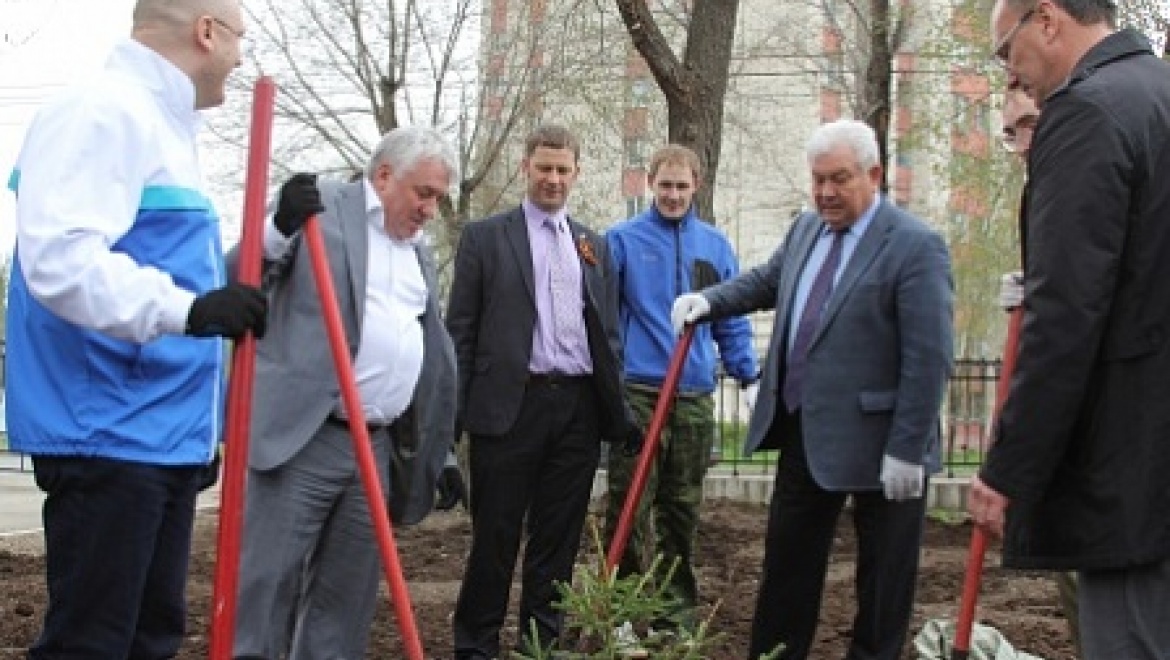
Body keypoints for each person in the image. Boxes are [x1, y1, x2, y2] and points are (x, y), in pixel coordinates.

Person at [3, 1, 264, 658]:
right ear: (208, 32)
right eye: (240, 40)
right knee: (92, 645)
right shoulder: (103, 112)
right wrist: (190, 312)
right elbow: (60, 259)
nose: (240, 60)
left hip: (155, 436)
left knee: (148, 641)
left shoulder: (162, 129)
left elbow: (166, 268)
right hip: (107, 434)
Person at [673, 119, 954, 660]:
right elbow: (766, 280)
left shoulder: (914, 246)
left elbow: (929, 357)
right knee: (787, 570)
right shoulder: (807, 230)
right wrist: (709, 301)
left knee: (882, 583)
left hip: (884, 443)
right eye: (818, 179)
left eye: (839, 179)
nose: (825, 192)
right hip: (805, 428)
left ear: (873, 175)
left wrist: (907, 448)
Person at [970, 2, 1170, 658]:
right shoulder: (1158, 95)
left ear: (1048, 20)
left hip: (1133, 479)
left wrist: (1007, 470)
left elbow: (1064, 318)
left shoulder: (1086, 113)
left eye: (1006, 51)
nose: (1012, 74)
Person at [231, 126, 459, 659]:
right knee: (267, 589)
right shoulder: (318, 209)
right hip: (304, 435)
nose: (430, 210)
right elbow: (239, 276)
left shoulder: (418, 250)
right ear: (383, 176)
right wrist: (278, 227)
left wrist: (437, 447)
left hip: (373, 448)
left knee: (346, 601)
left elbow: (423, 350)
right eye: (423, 193)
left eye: (438, 199)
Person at [447, 122, 633, 659]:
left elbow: (609, 336)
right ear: (525, 166)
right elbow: (461, 331)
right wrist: (453, 420)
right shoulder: (485, 238)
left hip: (576, 411)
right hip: (509, 409)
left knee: (558, 543)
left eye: (563, 169)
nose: (553, 178)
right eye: (544, 167)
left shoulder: (594, 245)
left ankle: (540, 647)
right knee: (495, 540)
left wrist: (615, 410)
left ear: (576, 173)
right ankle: (476, 646)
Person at [603, 144, 760, 635]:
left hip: (691, 395)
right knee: (629, 502)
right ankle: (624, 613)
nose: (673, 195)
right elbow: (603, 320)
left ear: (697, 185)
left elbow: (730, 319)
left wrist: (747, 374)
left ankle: (676, 614)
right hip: (639, 393)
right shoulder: (622, 241)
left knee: (681, 508)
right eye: (664, 185)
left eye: (682, 186)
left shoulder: (713, 247)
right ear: (650, 183)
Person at [995, 77, 1083, 657]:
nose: (1020, 144)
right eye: (1009, 134)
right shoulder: (1043, 183)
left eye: (1027, 126)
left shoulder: (1081, 164)